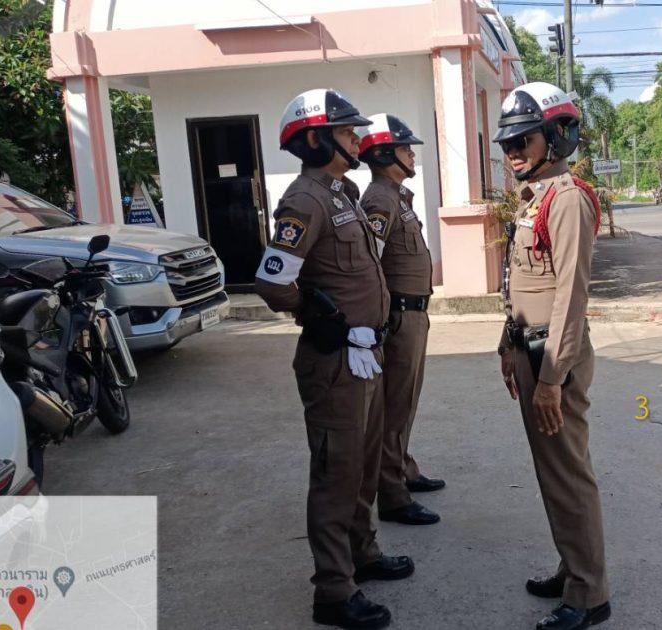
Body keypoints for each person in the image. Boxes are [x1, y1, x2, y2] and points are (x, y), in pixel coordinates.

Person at [255, 88, 412, 630]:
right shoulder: (305, 200)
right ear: (317, 140)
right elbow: (273, 282)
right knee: (335, 475)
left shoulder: (342, 193)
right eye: (346, 133)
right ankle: (333, 591)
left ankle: (362, 553)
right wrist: (313, 312)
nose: (357, 140)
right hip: (334, 361)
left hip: (365, 356)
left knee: (363, 466)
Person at [493, 82, 611, 630]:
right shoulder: (535, 198)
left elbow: (570, 293)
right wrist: (506, 341)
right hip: (530, 347)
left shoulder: (565, 200)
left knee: (568, 475)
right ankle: (572, 569)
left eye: (524, 140)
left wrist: (549, 379)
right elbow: (520, 279)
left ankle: (589, 594)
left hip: (552, 356)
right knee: (553, 473)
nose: (514, 152)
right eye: (507, 143)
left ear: (556, 137)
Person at [356, 113, 444, 527]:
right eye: (406, 149)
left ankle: (403, 469)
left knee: (405, 402)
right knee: (393, 407)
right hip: (399, 317)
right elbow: (368, 264)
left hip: (414, 314)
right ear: (384, 155)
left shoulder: (397, 196)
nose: (412, 155)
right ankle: (392, 496)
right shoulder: (379, 200)